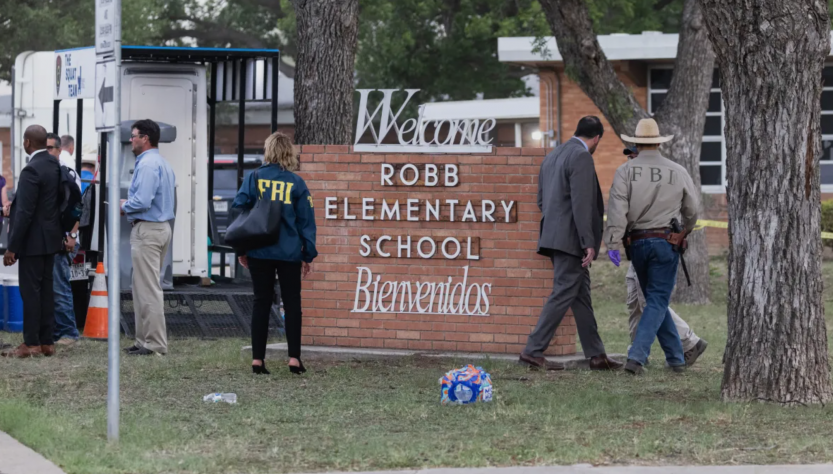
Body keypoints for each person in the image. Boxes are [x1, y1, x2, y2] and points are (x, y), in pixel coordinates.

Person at [519, 116, 623, 371]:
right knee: (564, 290)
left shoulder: (553, 156)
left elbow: (542, 201)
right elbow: (582, 203)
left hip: (554, 236)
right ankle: (532, 350)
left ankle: (597, 355)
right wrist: (588, 242)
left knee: (581, 295)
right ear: (596, 138)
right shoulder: (581, 156)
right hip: (571, 240)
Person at [605, 118, 699, 375]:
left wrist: (612, 244)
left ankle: (676, 359)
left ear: (636, 142)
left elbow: (616, 211)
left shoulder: (625, 171)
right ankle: (636, 357)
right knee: (657, 300)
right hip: (666, 242)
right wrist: (686, 231)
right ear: (658, 142)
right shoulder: (677, 170)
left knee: (654, 300)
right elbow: (692, 211)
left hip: (636, 243)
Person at [233, 132, 317, 375]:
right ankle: (294, 359)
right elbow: (306, 221)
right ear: (288, 153)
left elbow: (239, 209)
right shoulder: (296, 183)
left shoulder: (254, 178)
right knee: (292, 304)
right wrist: (307, 254)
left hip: (259, 250)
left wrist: (243, 249)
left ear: (268, 151)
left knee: (261, 302)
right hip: (289, 252)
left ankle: (257, 359)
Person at [621, 147, 708, 367]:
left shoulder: (661, 173)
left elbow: (690, 209)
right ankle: (677, 356)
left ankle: (639, 355)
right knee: (644, 300)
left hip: (651, 242)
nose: (632, 159)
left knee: (652, 301)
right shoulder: (633, 173)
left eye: (634, 154)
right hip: (642, 243)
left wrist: (684, 231)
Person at [1, 125, 64, 358]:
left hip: (32, 242)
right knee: (47, 291)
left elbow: (26, 213)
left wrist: (12, 248)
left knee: (31, 292)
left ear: (27, 142)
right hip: (50, 240)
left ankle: (31, 343)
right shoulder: (54, 165)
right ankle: (47, 342)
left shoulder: (31, 170)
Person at [120, 119, 176, 357]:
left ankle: (154, 344)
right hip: (160, 228)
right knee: (142, 287)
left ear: (145, 138)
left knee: (148, 289)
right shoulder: (163, 163)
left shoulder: (147, 165)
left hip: (148, 230)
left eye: (133, 136)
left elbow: (142, 201)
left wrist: (124, 205)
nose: (131, 140)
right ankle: (143, 340)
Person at [46, 134, 82, 345]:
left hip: (64, 237)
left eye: (51, 148)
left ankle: (68, 332)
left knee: (60, 286)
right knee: (54, 286)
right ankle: (59, 331)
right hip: (57, 236)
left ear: (60, 149)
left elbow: (77, 207)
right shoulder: (55, 168)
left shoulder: (66, 170)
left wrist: (72, 235)